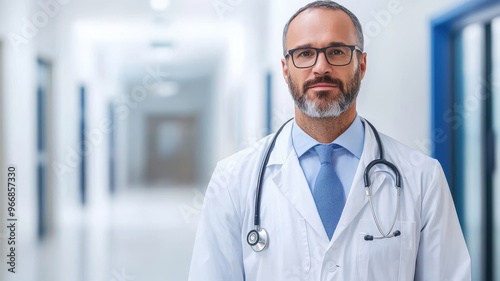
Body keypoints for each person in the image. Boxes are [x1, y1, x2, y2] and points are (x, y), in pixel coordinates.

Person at [188, 1, 471, 280]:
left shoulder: (422, 178)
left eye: (336, 51)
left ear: (361, 64)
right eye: (305, 53)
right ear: (286, 69)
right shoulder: (233, 179)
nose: (321, 67)